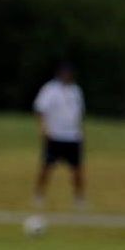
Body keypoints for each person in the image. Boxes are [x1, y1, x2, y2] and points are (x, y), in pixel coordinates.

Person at [33, 62, 86, 207]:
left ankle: (79, 198)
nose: (67, 76)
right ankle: (38, 195)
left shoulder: (76, 90)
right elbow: (40, 109)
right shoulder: (50, 89)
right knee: (46, 167)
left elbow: (79, 113)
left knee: (77, 169)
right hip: (55, 135)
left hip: (73, 136)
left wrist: (80, 130)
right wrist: (43, 128)